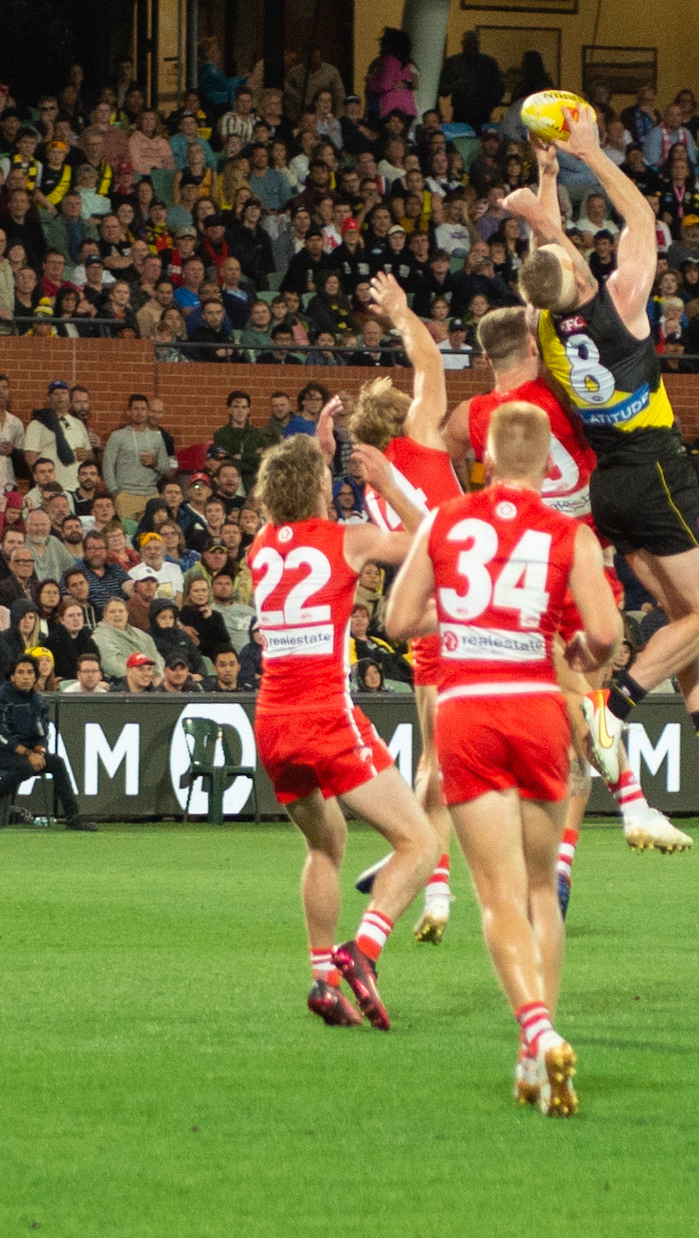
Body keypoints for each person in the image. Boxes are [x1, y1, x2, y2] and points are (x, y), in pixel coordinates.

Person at [385, 401, 620, 1115]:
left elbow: (397, 621)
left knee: (496, 896)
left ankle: (535, 1031)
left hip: (468, 711)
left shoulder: (446, 520)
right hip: (536, 704)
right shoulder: (568, 533)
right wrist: (578, 650)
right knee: (542, 889)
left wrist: (456, 619)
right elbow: (604, 635)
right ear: (548, 461)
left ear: (483, 454)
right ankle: (537, 1043)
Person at [502, 108, 699, 789]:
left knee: (681, 617)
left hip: (609, 483)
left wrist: (544, 184)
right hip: (656, 467)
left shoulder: (544, 327)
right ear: (581, 273)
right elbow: (641, 220)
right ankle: (616, 707)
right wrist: (591, 153)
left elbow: (546, 266)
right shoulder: (622, 300)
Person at [449, 303, 692, 872]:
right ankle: (608, 824)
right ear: (534, 349)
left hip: (516, 568)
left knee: (573, 714)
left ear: (485, 358)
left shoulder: (475, 413)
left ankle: (570, 852)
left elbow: (432, 458)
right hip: (582, 561)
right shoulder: (563, 396)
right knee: (584, 705)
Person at [248, 436, 441, 1032]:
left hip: (272, 722)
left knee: (324, 847)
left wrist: (319, 451)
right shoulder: (347, 540)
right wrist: (388, 485)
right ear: (317, 489)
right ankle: (364, 950)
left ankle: (322, 981)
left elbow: (293, 508)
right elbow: (432, 544)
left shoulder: (258, 547)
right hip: (326, 715)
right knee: (422, 842)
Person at [346, 274, 467, 941]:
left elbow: (392, 552)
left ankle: (435, 882)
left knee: (430, 759)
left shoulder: (369, 486)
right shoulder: (423, 434)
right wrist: (400, 311)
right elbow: (427, 358)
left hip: (425, 616)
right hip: (474, 608)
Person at [0, 656, 97, 829]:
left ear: (35, 676)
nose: (25, 677)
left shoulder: (38, 701)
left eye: (30, 672)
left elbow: (42, 733)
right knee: (25, 766)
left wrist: (39, 751)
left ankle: (73, 817)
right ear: (12, 676)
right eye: (21, 672)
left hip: (28, 753)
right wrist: (27, 753)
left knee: (57, 763)